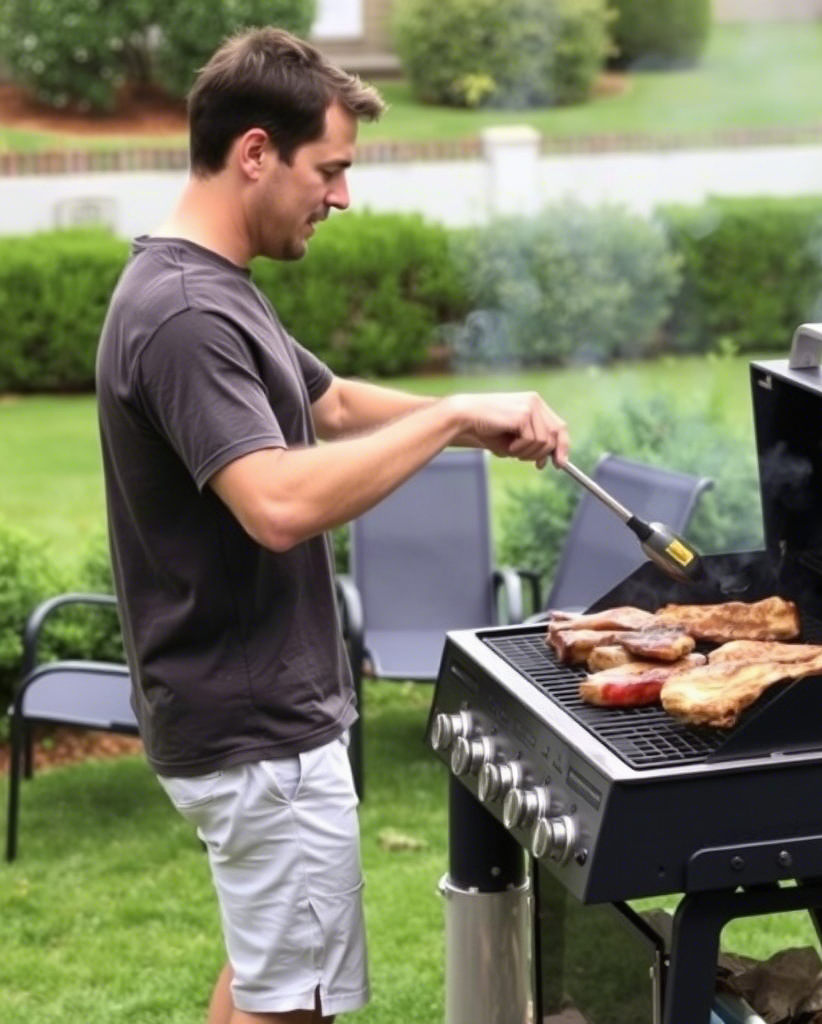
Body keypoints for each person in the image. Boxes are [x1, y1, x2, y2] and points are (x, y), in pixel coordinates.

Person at [95, 25, 569, 1024]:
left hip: (239, 713)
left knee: (264, 976)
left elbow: (333, 404)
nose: (343, 197)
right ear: (256, 152)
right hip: (257, 725)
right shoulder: (186, 313)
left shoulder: (213, 288)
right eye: (332, 169)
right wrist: (445, 417)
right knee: (291, 1005)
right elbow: (275, 502)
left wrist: (476, 418)